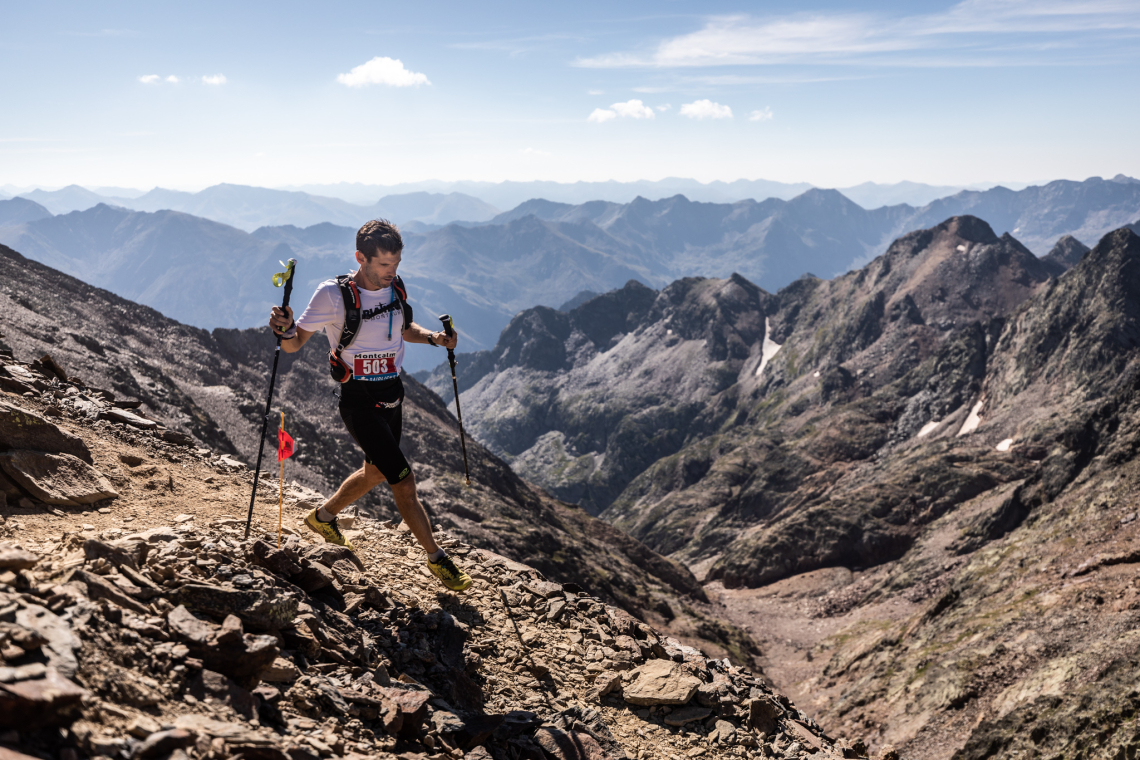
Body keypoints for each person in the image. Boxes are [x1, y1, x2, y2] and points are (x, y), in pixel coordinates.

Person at [268, 219, 472, 592]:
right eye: (382, 265)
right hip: (358, 399)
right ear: (360, 257)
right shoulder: (332, 295)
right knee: (404, 482)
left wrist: (436, 339)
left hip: (393, 394)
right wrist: (282, 329)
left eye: (395, 265)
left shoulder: (394, 287)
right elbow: (294, 343)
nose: (390, 273)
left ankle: (323, 517)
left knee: (376, 472)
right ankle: (437, 559)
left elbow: (405, 329)